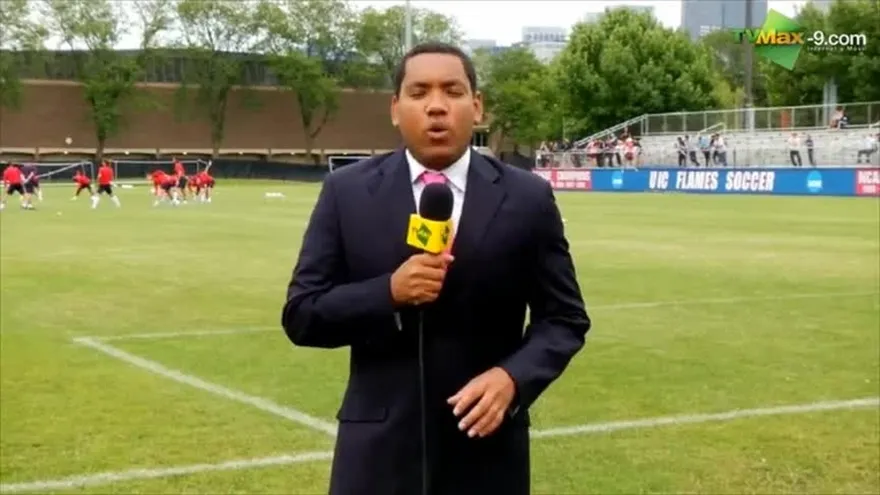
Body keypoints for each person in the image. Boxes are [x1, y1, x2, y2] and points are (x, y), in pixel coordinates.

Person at [281, 42, 591, 495]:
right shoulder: (345, 193)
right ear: (395, 108)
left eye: (453, 91)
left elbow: (564, 319)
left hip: (485, 451)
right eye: (419, 92)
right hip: (376, 457)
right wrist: (388, 292)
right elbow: (302, 314)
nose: (436, 107)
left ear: (477, 105)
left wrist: (513, 378)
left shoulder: (528, 199)